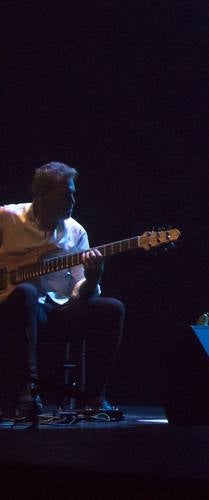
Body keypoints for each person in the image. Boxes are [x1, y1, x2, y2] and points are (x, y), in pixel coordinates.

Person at [0, 162, 125, 426]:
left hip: (55, 310)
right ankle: (25, 394)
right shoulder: (8, 218)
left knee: (112, 309)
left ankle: (94, 397)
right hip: (11, 310)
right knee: (25, 292)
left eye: (73, 193)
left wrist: (93, 278)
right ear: (41, 195)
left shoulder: (76, 232)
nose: (72, 200)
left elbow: (82, 293)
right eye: (64, 194)